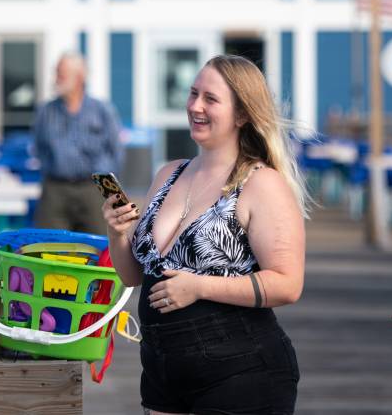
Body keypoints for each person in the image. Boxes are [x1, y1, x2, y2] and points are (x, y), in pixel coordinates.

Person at [104, 54, 307, 415]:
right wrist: (118, 234)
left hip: (241, 372)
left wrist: (200, 287)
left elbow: (288, 285)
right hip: (161, 371)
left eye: (210, 99)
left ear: (242, 114)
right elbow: (133, 275)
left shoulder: (261, 183)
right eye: (193, 93)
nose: (195, 106)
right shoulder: (168, 174)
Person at [33, 52, 124, 234]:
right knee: (50, 246)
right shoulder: (46, 111)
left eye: (62, 74)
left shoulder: (102, 110)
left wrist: (107, 187)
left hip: (94, 187)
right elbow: (39, 148)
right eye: (56, 73)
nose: (56, 79)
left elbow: (115, 151)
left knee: (102, 247)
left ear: (80, 77)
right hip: (56, 188)